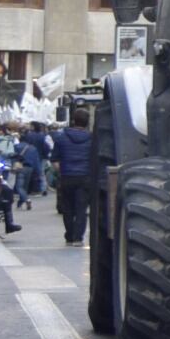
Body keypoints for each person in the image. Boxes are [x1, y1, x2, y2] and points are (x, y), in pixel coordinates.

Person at [54, 103, 96, 245]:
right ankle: (78, 237)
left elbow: (55, 161)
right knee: (81, 209)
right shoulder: (92, 140)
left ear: (73, 120)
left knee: (68, 209)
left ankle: (69, 235)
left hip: (67, 177)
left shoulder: (61, 137)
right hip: (85, 177)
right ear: (87, 122)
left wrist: (61, 173)